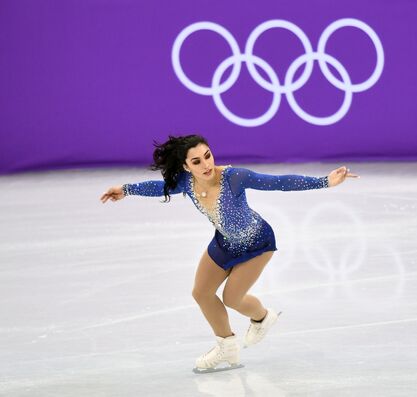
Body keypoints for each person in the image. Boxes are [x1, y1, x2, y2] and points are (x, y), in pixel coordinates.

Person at [100, 134, 359, 373]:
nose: (206, 164)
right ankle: (227, 346)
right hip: (224, 243)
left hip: (257, 243)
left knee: (233, 298)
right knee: (200, 293)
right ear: (186, 167)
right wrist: (126, 189)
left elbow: (278, 183)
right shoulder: (185, 183)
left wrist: (325, 181)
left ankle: (262, 317)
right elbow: (160, 187)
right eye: (197, 161)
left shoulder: (234, 177)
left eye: (208, 155)